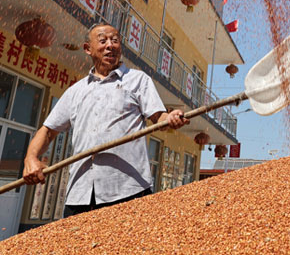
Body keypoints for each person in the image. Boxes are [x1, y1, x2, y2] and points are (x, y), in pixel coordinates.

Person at [23, 22, 187, 216]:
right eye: (103, 41)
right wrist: (31, 158)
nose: (110, 45)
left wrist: (171, 117)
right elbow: (49, 130)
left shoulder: (137, 80)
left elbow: (159, 117)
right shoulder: (76, 91)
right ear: (87, 49)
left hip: (128, 190)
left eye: (115, 40)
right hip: (80, 193)